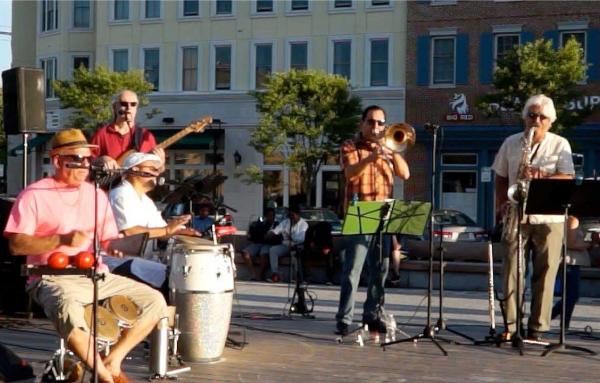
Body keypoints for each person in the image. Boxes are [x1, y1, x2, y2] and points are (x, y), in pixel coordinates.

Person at [4, 129, 168, 383]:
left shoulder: (95, 195)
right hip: (51, 278)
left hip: (95, 275)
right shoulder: (34, 194)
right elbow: (17, 245)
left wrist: (153, 235)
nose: (84, 164)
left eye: (88, 158)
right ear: (57, 160)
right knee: (71, 313)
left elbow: (110, 240)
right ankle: (104, 377)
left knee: (155, 301)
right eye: (76, 158)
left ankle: (113, 361)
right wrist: (62, 239)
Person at [492, 94, 575, 342]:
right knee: (510, 272)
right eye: (531, 115)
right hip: (516, 213)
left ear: (550, 121)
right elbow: (500, 176)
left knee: (546, 272)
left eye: (542, 117)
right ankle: (511, 326)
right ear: (524, 117)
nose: (536, 120)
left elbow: (568, 177)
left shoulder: (560, 144)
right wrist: (501, 204)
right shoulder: (511, 142)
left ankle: (538, 328)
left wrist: (540, 175)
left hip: (549, 217)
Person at [335, 105, 410, 335]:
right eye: (371, 122)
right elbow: (349, 173)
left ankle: (373, 314)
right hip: (360, 214)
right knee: (353, 270)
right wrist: (372, 157)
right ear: (362, 123)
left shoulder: (388, 151)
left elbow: (405, 174)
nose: (375, 127)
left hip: (384, 215)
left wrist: (393, 151)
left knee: (382, 268)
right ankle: (344, 319)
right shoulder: (351, 145)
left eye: (380, 123)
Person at [106, 152, 200, 297]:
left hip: (139, 260)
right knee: (171, 279)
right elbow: (130, 232)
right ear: (134, 170)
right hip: (118, 261)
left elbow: (162, 232)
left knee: (179, 277)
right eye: (152, 169)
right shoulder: (121, 195)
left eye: (158, 170)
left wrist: (182, 231)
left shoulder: (146, 200)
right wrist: (167, 229)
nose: (157, 173)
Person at [91, 89, 165, 170]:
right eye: (123, 104)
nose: (128, 107)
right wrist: (103, 159)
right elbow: (89, 162)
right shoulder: (102, 134)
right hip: (111, 182)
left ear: (136, 108)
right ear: (114, 107)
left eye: (133, 104)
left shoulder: (146, 136)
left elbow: (156, 170)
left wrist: (161, 164)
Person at [551, 216, 599, 330]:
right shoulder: (573, 220)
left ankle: (563, 323)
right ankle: (550, 319)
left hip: (573, 262)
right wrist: (591, 244)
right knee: (571, 296)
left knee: (571, 296)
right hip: (569, 262)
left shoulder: (576, 220)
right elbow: (571, 244)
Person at [264, 205, 309, 283]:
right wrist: (270, 233)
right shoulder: (286, 221)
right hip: (286, 245)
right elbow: (276, 230)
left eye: (293, 215)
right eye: (290, 215)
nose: (291, 217)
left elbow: (301, 239)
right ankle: (275, 274)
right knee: (273, 250)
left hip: (298, 246)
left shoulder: (304, 224)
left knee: (295, 254)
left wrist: (290, 236)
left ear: (298, 214)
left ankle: (296, 277)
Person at [242, 208, 278, 281]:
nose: (271, 217)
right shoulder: (261, 224)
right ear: (266, 216)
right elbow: (253, 236)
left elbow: (277, 238)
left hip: (269, 244)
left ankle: (260, 275)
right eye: (269, 216)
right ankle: (253, 275)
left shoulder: (277, 224)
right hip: (259, 243)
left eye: (272, 216)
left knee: (263, 254)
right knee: (245, 253)